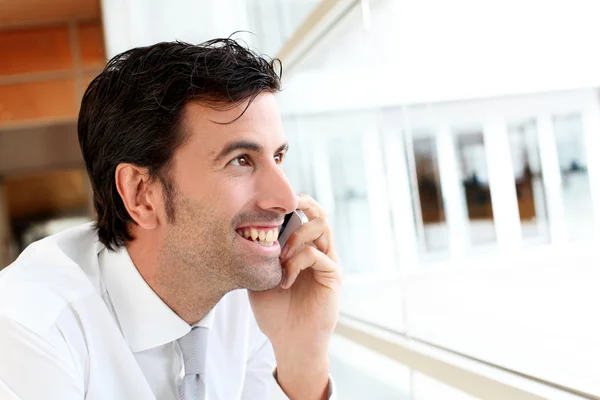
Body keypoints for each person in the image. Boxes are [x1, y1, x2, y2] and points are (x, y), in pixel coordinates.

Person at [0, 39, 341, 400]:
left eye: (279, 157)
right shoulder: (26, 327)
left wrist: (301, 356)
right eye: (240, 160)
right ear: (141, 195)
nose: (287, 199)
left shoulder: (249, 297)